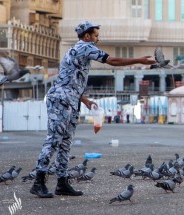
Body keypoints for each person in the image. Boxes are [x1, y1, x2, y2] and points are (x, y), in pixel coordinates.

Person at [30, 21, 156, 198]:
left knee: (65, 143)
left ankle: (61, 183)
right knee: (54, 140)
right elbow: (112, 60)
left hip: (71, 100)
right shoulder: (84, 47)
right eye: (96, 35)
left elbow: (68, 80)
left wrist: (85, 100)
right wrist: (139, 61)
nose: (98, 38)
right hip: (61, 100)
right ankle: (38, 181)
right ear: (87, 36)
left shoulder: (78, 51)